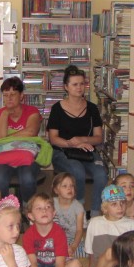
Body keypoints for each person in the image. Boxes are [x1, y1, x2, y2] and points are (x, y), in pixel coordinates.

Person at [47, 65, 109, 216]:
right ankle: (78, 211)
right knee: (77, 171)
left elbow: (98, 137)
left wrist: (82, 140)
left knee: (101, 173)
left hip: (87, 151)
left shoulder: (92, 108)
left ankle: (95, 213)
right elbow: (53, 139)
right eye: (75, 84)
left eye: (82, 84)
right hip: (63, 151)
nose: (79, 87)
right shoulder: (57, 109)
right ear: (66, 87)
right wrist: (71, 143)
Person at [76, 185, 134, 267]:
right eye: (114, 204)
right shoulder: (95, 223)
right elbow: (90, 251)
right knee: (111, 251)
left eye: (122, 203)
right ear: (105, 208)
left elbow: (132, 253)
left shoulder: (131, 224)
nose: (120, 207)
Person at [0, 77, 42, 205]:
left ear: (21, 95)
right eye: (6, 95)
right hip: (4, 158)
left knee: (27, 178)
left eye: (13, 94)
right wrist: (5, 114)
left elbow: (31, 132)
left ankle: (28, 208)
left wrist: (7, 138)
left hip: (27, 157)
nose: (9, 98)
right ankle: (4, 209)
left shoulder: (32, 111)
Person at [23, 192, 82, 267]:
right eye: (39, 208)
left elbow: (60, 264)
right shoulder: (28, 235)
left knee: (76, 265)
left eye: (48, 207)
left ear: (54, 213)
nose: (44, 211)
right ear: (31, 216)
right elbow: (32, 264)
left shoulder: (59, 233)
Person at [51, 172, 85, 258]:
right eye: (65, 186)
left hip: (73, 239)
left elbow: (79, 230)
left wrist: (73, 246)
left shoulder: (78, 207)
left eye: (72, 186)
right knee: (44, 249)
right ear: (56, 190)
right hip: (55, 238)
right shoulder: (51, 204)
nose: (69, 188)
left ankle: (66, 253)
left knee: (87, 250)